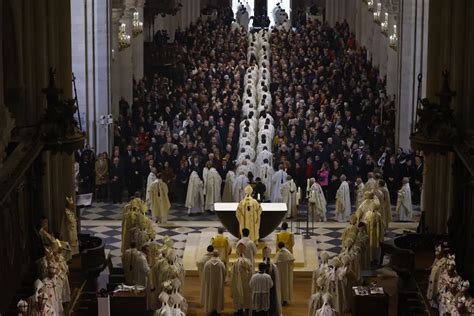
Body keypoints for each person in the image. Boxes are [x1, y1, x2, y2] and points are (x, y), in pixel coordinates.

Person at [230, 242, 253, 314]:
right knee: (247, 294)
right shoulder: (248, 261)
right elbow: (251, 272)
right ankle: (247, 309)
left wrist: (232, 284)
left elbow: (232, 275)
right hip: (246, 281)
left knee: (238, 294)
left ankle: (239, 310)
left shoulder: (235, 262)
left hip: (238, 282)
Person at [274, 242, 295, 306]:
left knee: (280, 285)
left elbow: (275, 263)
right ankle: (285, 299)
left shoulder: (278, 254)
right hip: (287, 273)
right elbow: (292, 260)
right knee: (286, 285)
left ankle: (281, 299)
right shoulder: (288, 252)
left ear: (278, 246)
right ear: (284, 245)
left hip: (280, 273)